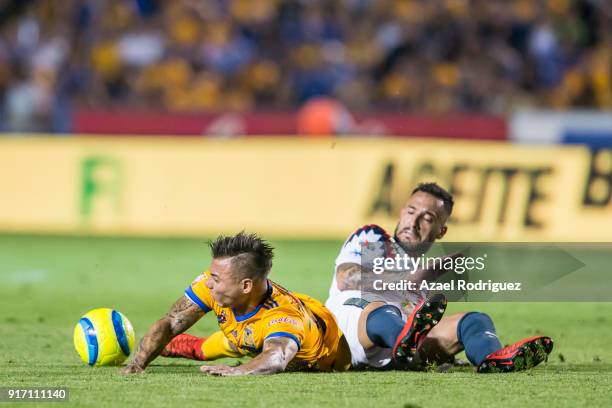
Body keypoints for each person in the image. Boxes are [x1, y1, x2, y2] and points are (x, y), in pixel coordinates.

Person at [326, 182, 553, 372]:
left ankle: (492, 359)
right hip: (347, 336)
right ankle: (405, 341)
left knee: (474, 320)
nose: (413, 222)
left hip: (399, 351)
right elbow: (346, 278)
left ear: (441, 231)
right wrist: (408, 277)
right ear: (401, 211)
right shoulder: (375, 239)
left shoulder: (423, 269)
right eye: (411, 211)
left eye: (427, 217)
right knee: (383, 310)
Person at [121, 232, 351, 375]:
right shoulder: (214, 282)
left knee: (215, 348)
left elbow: (277, 357)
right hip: (247, 334)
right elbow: (172, 322)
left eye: (216, 279)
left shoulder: (283, 318)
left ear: (246, 286)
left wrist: (238, 370)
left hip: (326, 352)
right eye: (211, 275)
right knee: (197, 348)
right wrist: (137, 363)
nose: (208, 283)